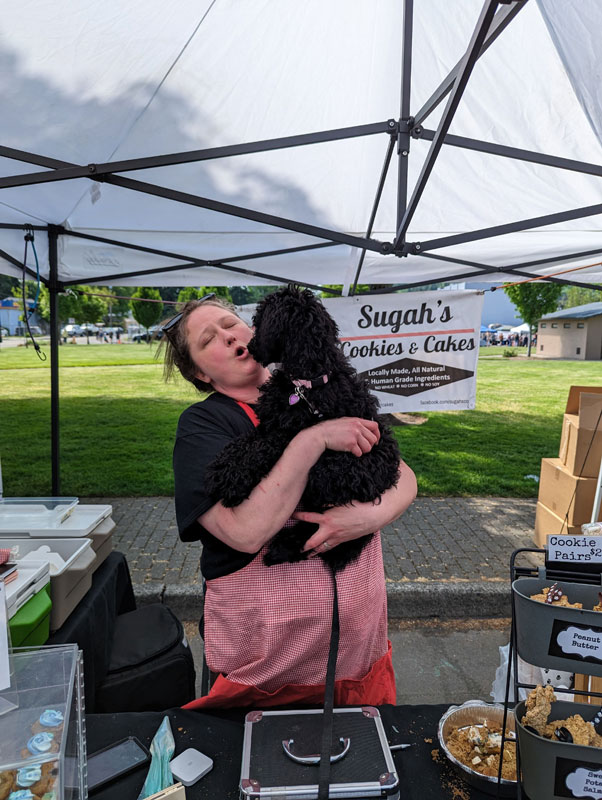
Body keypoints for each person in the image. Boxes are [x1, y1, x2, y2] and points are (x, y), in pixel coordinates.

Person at [161, 295, 417, 709]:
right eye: (209, 339)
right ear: (199, 372)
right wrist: (315, 440)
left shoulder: (316, 386)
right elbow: (245, 532)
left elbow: (403, 475)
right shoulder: (203, 425)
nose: (228, 337)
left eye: (231, 324)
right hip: (265, 675)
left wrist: (362, 519)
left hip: (358, 661)